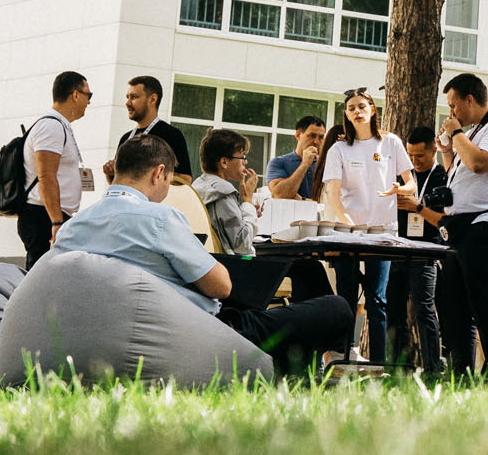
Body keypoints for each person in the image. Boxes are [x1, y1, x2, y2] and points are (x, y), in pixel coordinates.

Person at [54, 134, 353, 379]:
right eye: (168, 181)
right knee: (335, 308)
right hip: (197, 333)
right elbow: (220, 287)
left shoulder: (72, 228)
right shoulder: (159, 218)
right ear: (159, 173)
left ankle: (283, 375)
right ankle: (301, 374)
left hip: (104, 336)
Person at [435, 73, 488, 378]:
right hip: (462, 228)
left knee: (485, 304)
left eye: (454, 106)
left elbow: (480, 164)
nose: (451, 114)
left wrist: (457, 134)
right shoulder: (474, 132)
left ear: (470, 100)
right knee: (454, 304)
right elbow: (461, 177)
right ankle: (462, 374)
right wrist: (448, 150)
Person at [321, 88, 412, 361]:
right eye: (351, 108)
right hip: (349, 235)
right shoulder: (338, 149)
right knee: (346, 298)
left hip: (383, 233)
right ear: (346, 115)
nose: (357, 111)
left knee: (377, 301)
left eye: (362, 106)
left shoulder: (391, 143)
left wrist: (400, 188)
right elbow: (334, 196)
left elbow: (411, 184)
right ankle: (344, 356)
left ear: (373, 110)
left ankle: (378, 364)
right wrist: (349, 224)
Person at [384, 126, 448, 375]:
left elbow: (444, 219)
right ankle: (399, 368)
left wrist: (417, 206)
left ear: (434, 150)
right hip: (398, 250)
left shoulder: (442, 176)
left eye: (420, 156)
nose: (414, 161)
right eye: (410, 155)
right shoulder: (403, 176)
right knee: (394, 310)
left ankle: (433, 368)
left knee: (424, 311)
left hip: (426, 253)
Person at [19, 71, 92, 268]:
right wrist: (56, 222)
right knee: (39, 279)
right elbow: (46, 176)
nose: (89, 102)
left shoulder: (60, 125)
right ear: (75, 95)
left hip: (50, 216)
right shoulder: (50, 126)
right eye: (88, 95)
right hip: (44, 217)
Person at [104, 75, 192, 182]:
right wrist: (110, 174)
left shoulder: (172, 135)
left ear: (152, 99)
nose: (127, 103)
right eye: (127, 97)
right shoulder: (126, 138)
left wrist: (145, 174)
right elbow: (117, 183)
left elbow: (185, 180)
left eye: (134, 97)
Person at [191, 128, 261, 255]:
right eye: (242, 157)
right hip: (231, 265)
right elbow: (242, 245)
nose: (246, 162)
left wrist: (244, 211)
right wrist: (248, 202)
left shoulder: (198, 185)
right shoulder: (223, 193)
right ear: (224, 162)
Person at [266, 115, 329, 200]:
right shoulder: (278, 162)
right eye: (312, 136)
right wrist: (304, 164)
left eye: (321, 137)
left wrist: (301, 199)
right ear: (298, 135)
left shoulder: (327, 164)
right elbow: (280, 194)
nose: (316, 142)